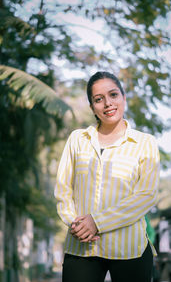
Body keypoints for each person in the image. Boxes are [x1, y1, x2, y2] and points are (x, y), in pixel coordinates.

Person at [54, 71, 160, 282]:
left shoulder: (145, 143)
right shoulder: (77, 139)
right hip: (82, 247)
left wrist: (97, 222)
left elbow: (146, 195)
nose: (108, 104)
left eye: (113, 95)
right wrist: (75, 224)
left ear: (123, 98)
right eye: (98, 99)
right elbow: (63, 189)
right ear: (92, 107)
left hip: (131, 249)